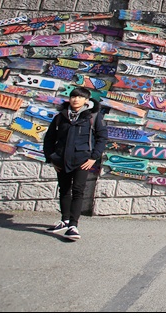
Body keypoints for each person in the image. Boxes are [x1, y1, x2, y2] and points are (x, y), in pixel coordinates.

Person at [42, 87, 107, 241]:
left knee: (78, 190)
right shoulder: (60, 117)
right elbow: (49, 139)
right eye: (73, 96)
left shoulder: (93, 116)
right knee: (64, 189)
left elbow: (102, 138)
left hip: (82, 160)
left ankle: (73, 225)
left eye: (80, 97)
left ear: (87, 100)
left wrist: (93, 158)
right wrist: (51, 157)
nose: (75, 99)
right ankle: (64, 220)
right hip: (62, 159)